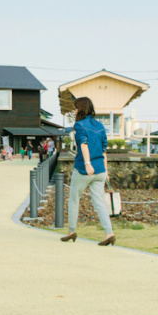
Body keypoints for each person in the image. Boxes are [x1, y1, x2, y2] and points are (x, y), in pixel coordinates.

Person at [61, 97, 115, 246]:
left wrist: (87, 163)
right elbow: (104, 150)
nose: (74, 111)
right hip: (100, 170)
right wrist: (106, 170)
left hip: (84, 169)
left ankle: (71, 231)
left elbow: (83, 144)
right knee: (99, 202)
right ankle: (109, 233)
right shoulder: (100, 126)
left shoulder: (79, 125)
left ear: (80, 109)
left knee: (74, 199)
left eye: (75, 108)